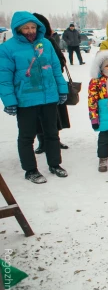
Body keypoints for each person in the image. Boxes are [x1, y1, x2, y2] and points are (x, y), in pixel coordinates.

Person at [0, 11, 69, 183]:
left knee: (52, 133)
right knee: (27, 136)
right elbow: (4, 78)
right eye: (26, 28)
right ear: (18, 29)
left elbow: (55, 69)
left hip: (48, 97)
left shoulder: (46, 43)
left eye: (33, 27)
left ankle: (55, 164)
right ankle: (30, 170)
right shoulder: (8, 48)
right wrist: (9, 101)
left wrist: (62, 90)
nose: (30, 31)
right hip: (26, 99)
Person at [33, 13, 70, 153]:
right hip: (35, 86)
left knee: (54, 115)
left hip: (52, 85)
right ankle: (42, 142)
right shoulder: (28, 44)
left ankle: (55, 140)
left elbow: (61, 60)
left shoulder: (49, 41)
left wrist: (53, 68)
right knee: (38, 115)